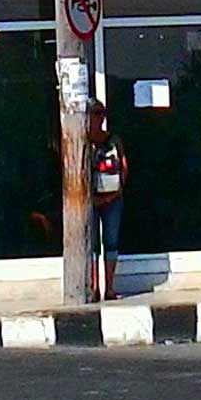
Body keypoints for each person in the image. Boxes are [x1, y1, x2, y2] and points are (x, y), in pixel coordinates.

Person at [87, 101, 127, 302]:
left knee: (111, 241)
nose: (98, 117)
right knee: (92, 244)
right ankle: (94, 287)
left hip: (112, 198)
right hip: (90, 199)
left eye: (101, 113)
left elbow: (124, 166)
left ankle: (109, 287)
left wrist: (117, 191)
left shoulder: (113, 140)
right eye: (94, 113)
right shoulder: (82, 141)